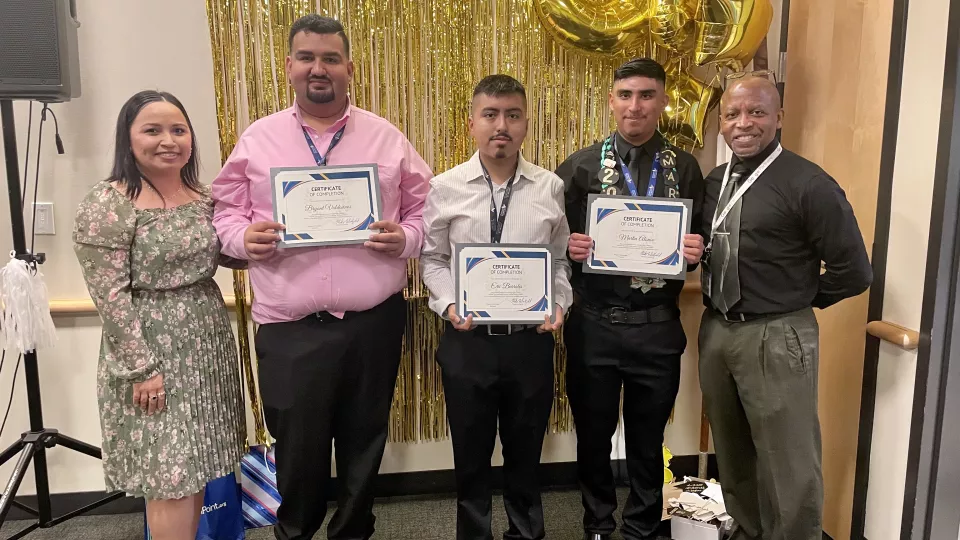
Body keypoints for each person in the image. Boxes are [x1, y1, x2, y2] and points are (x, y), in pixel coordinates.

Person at [211, 14, 431, 540]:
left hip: (372, 322)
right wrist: (244, 240)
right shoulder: (258, 139)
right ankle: (296, 534)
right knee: (298, 449)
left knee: (363, 443)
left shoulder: (387, 138)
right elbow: (224, 213)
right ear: (288, 67)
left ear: (349, 68)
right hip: (290, 327)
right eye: (307, 57)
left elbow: (427, 212)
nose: (319, 68)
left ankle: (353, 533)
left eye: (331, 58)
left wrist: (407, 239)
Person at [698, 75, 872, 540]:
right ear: (721, 123)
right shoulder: (715, 181)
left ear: (779, 117)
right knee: (733, 451)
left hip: (776, 334)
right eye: (732, 114)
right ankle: (749, 530)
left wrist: (799, 299)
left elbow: (854, 271)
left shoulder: (809, 184)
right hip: (716, 329)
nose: (743, 124)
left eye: (756, 112)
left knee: (788, 461)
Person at [73, 90, 246, 540]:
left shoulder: (203, 196)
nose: (168, 140)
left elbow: (224, 252)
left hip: (206, 343)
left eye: (178, 130)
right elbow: (109, 294)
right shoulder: (109, 202)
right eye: (152, 130)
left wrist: (262, 240)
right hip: (150, 352)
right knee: (168, 476)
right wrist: (140, 368)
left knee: (197, 467)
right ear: (127, 139)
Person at [555, 58, 705, 540]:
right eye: (625, 95)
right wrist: (570, 247)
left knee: (647, 437)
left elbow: (696, 245)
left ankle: (642, 525)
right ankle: (598, 523)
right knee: (593, 436)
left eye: (646, 95)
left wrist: (696, 251)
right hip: (593, 324)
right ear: (611, 100)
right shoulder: (578, 167)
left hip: (656, 324)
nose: (634, 106)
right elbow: (557, 246)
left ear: (662, 101)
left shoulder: (685, 167)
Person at [420, 74, 572, 540]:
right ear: (471, 124)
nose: (500, 125)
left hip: (530, 344)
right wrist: (448, 305)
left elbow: (561, 261)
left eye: (512, 115)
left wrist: (560, 304)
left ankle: (526, 534)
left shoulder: (550, 187)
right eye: (490, 114)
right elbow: (432, 259)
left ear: (526, 124)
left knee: (525, 456)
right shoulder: (445, 187)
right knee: (470, 456)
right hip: (468, 344)